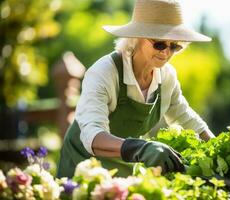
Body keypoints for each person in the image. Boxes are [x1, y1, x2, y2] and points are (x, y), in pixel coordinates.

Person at [57, 0, 215, 178]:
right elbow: (93, 137)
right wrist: (140, 148)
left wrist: (220, 150)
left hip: (122, 174)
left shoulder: (167, 76)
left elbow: (187, 119)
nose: (166, 53)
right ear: (137, 37)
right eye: (160, 44)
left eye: (174, 46)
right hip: (80, 172)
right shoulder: (104, 72)